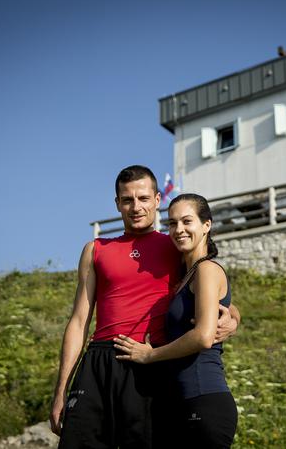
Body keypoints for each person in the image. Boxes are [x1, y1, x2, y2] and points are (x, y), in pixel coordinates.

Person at [49, 166, 240, 449]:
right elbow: (78, 321)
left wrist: (234, 318)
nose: (136, 207)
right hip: (100, 362)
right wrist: (61, 389)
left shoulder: (176, 245)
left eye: (143, 198)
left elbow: (217, 294)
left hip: (150, 360)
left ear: (157, 199)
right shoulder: (95, 249)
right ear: (117, 204)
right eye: (127, 200)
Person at [113, 193, 237, 449]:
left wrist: (149, 355)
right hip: (180, 402)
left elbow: (203, 337)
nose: (178, 229)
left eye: (187, 221)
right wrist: (235, 316)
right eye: (172, 223)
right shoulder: (186, 275)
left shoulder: (206, 269)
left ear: (206, 225)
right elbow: (227, 306)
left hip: (203, 399)